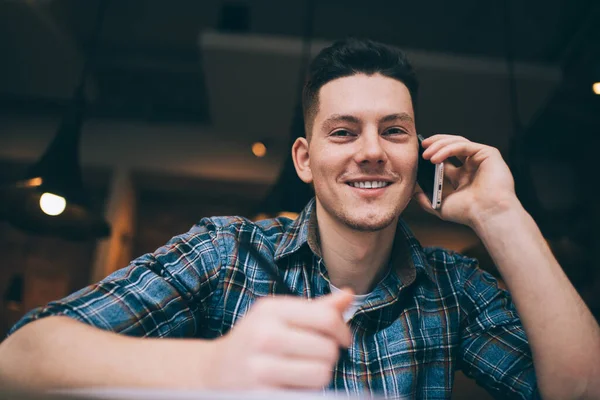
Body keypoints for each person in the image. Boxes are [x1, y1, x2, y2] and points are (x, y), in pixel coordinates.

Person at [0, 38, 599, 400]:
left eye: (394, 131)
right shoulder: (224, 252)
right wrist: (211, 368)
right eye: (343, 132)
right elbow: (18, 361)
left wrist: (502, 214)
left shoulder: (456, 289)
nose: (371, 151)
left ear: (419, 153)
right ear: (305, 160)